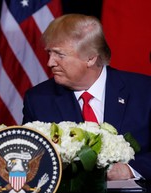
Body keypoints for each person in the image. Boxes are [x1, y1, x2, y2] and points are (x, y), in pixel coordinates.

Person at [22, 14, 151, 180]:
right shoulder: (38, 99)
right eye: (49, 53)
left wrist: (130, 170)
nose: (50, 63)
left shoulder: (144, 92)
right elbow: (30, 159)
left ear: (90, 58)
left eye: (60, 55)